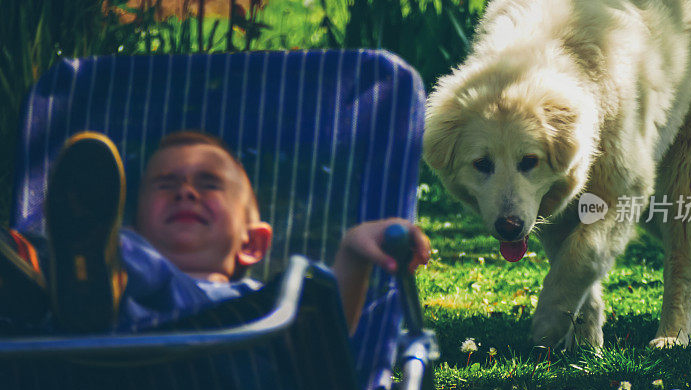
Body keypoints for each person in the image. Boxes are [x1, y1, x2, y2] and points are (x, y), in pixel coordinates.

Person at [0, 131, 430, 335]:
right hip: (78, 366)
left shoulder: (257, 305)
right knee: (91, 282)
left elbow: (322, 344)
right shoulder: (134, 250)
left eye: (208, 184)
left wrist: (352, 251)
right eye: (165, 185)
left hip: (213, 372)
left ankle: (40, 272)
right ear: (130, 224)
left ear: (253, 243)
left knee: (303, 291)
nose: (185, 191)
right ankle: (39, 274)